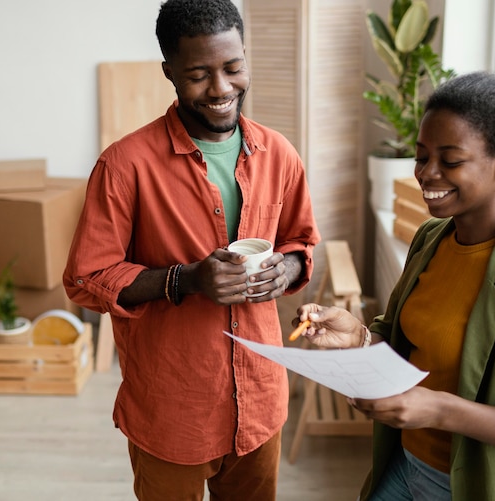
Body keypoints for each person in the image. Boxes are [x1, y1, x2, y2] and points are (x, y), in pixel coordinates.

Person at [63, 0, 320, 499]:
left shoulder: (279, 154)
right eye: (199, 74)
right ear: (170, 72)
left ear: (246, 58)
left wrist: (284, 271)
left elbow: (301, 242)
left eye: (232, 67)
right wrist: (186, 280)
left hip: (261, 401)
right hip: (172, 409)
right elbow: (85, 277)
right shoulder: (124, 166)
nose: (222, 88)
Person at [294, 70, 495, 501]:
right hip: (405, 462)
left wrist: (436, 408)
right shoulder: (432, 239)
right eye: (421, 156)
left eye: (450, 160)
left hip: (472, 484)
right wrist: (358, 338)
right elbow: (401, 338)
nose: (427, 174)